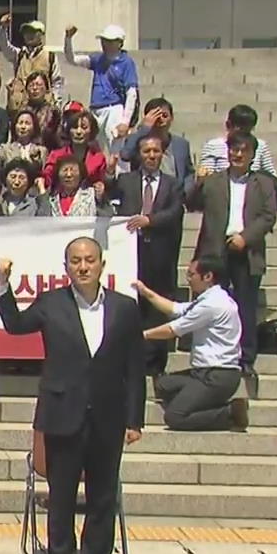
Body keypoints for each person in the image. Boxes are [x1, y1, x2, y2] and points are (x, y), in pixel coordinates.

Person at [0, 239, 145, 554]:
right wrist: (2, 285)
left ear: (101, 264)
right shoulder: (51, 303)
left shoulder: (124, 309)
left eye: (89, 260)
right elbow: (15, 325)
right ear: (66, 266)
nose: (83, 267)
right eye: (75, 261)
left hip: (107, 418)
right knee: (60, 499)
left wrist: (134, 417)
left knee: (102, 498)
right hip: (64, 415)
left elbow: (135, 368)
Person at [185, 132, 277, 374]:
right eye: (233, 150)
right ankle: (212, 355)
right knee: (213, 303)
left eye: (243, 151)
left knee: (245, 305)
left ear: (252, 155)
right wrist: (197, 181)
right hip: (216, 249)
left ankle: (246, 358)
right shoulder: (214, 181)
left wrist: (245, 238)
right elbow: (192, 204)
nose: (237, 155)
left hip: (246, 250)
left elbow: (269, 216)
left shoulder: (264, 183)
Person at [135, 257, 246, 431]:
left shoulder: (213, 304)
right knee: (164, 385)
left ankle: (229, 413)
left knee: (175, 417)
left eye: (191, 274)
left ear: (207, 276)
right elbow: (175, 309)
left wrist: (142, 335)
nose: (188, 279)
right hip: (202, 373)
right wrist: (146, 292)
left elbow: (174, 329)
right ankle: (203, 400)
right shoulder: (209, 299)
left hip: (217, 376)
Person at [109, 133, 185, 374]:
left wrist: (149, 220)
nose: (151, 156)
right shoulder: (127, 181)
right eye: (146, 151)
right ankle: (132, 360)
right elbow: (108, 194)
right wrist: (109, 174)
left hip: (160, 256)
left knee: (158, 308)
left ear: (162, 154)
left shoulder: (173, 183)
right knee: (132, 308)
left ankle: (156, 364)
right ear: (139, 155)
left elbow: (175, 212)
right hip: (131, 255)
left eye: (155, 151)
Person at [64, 24, 138, 154]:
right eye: (104, 40)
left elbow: (131, 93)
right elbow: (72, 60)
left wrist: (125, 122)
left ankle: (120, 175)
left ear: (119, 43)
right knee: (95, 150)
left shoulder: (126, 62)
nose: (105, 44)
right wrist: (68, 39)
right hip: (95, 110)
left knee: (116, 150)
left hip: (114, 108)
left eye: (110, 41)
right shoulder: (98, 59)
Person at [117, 99, 193, 188]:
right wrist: (144, 128)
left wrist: (185, 192)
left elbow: (188, 172)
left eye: (164, 115)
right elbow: (125, 155)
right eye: (155, 116)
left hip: (174, 194)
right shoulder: (138, 140)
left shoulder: (181, 144)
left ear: (171, 118)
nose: (160, 119)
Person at [0, 15, 63, 111]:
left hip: (43, 108)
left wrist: (56, 104)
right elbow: (5, 46)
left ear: (41, 34)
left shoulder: (50, 56)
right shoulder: (19, 54)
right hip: (20, 107)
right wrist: (3, 28)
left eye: (33, 32)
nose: (29, 35)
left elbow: (57, 82)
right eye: (26, 32)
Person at [197, 104, 277, 177]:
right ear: (228, 125)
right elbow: (206, 175)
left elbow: (271, 176)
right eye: (240, 128)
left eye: (247, 129)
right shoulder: (213, 146)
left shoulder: (260, 145)